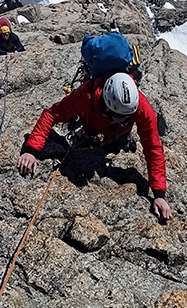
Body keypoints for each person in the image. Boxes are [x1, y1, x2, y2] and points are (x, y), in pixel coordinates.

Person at [17, 72, 172, 221]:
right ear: (106, 104)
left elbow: (153, 148)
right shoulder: (87, 94)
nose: (121, 120)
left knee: (121, 144)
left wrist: (159, 195)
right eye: (117, 116)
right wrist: (31, 150)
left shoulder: (142, 108)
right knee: (94, 136)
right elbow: (51, 114)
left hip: (117, 134)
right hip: (90, 121)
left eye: (127, 117)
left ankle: (119, 140)